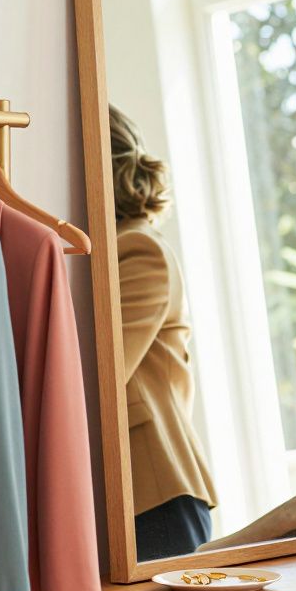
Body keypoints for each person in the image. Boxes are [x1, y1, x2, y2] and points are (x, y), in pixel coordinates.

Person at [111, 104, 219, 561]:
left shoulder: (138, 249)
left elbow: (103, 372)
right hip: (135, 495)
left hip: (155, 495)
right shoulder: (111, 248)